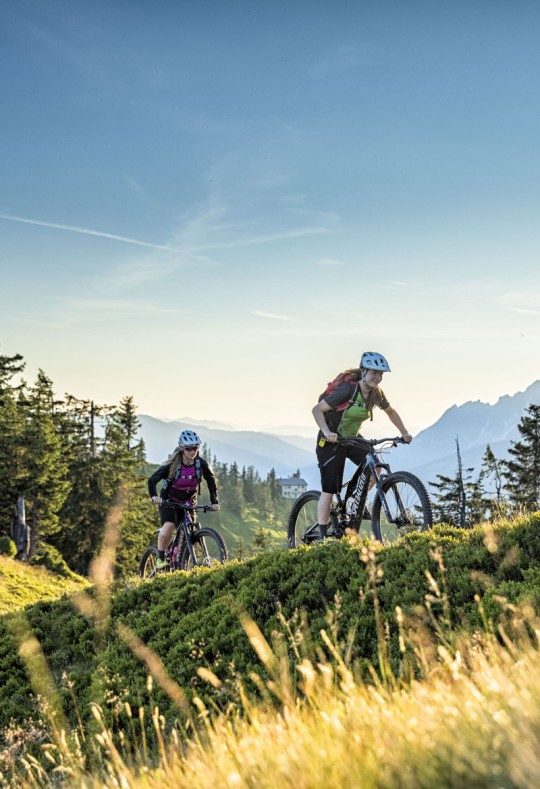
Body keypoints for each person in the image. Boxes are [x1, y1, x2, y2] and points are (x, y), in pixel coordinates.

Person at [311, 351, 412, 539]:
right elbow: (317, 410)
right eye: (374, 372)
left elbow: (390, 412)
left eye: (380, 374)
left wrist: (404, 433)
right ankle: (323, 539)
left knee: (377, 466)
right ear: (363, 371)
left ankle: (354, 503)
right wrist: (327, 432)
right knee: (329, 490)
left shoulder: (376, 394)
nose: (378, 377)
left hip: (352, 438)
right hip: (331, 441)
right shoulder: (347, 391)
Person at [148, 429, 220, 571]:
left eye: (195, 448)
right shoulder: (172, 465)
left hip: (188, 502)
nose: (192, 452)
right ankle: (160, 557)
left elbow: (211, 481)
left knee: (189, 530)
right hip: (169, 501)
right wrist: (154, 496)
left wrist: (214, 501)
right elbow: (152, 480)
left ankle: (180, 562)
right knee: (169, 527)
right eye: (188, 448)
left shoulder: (201, 464)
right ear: (182, 448)